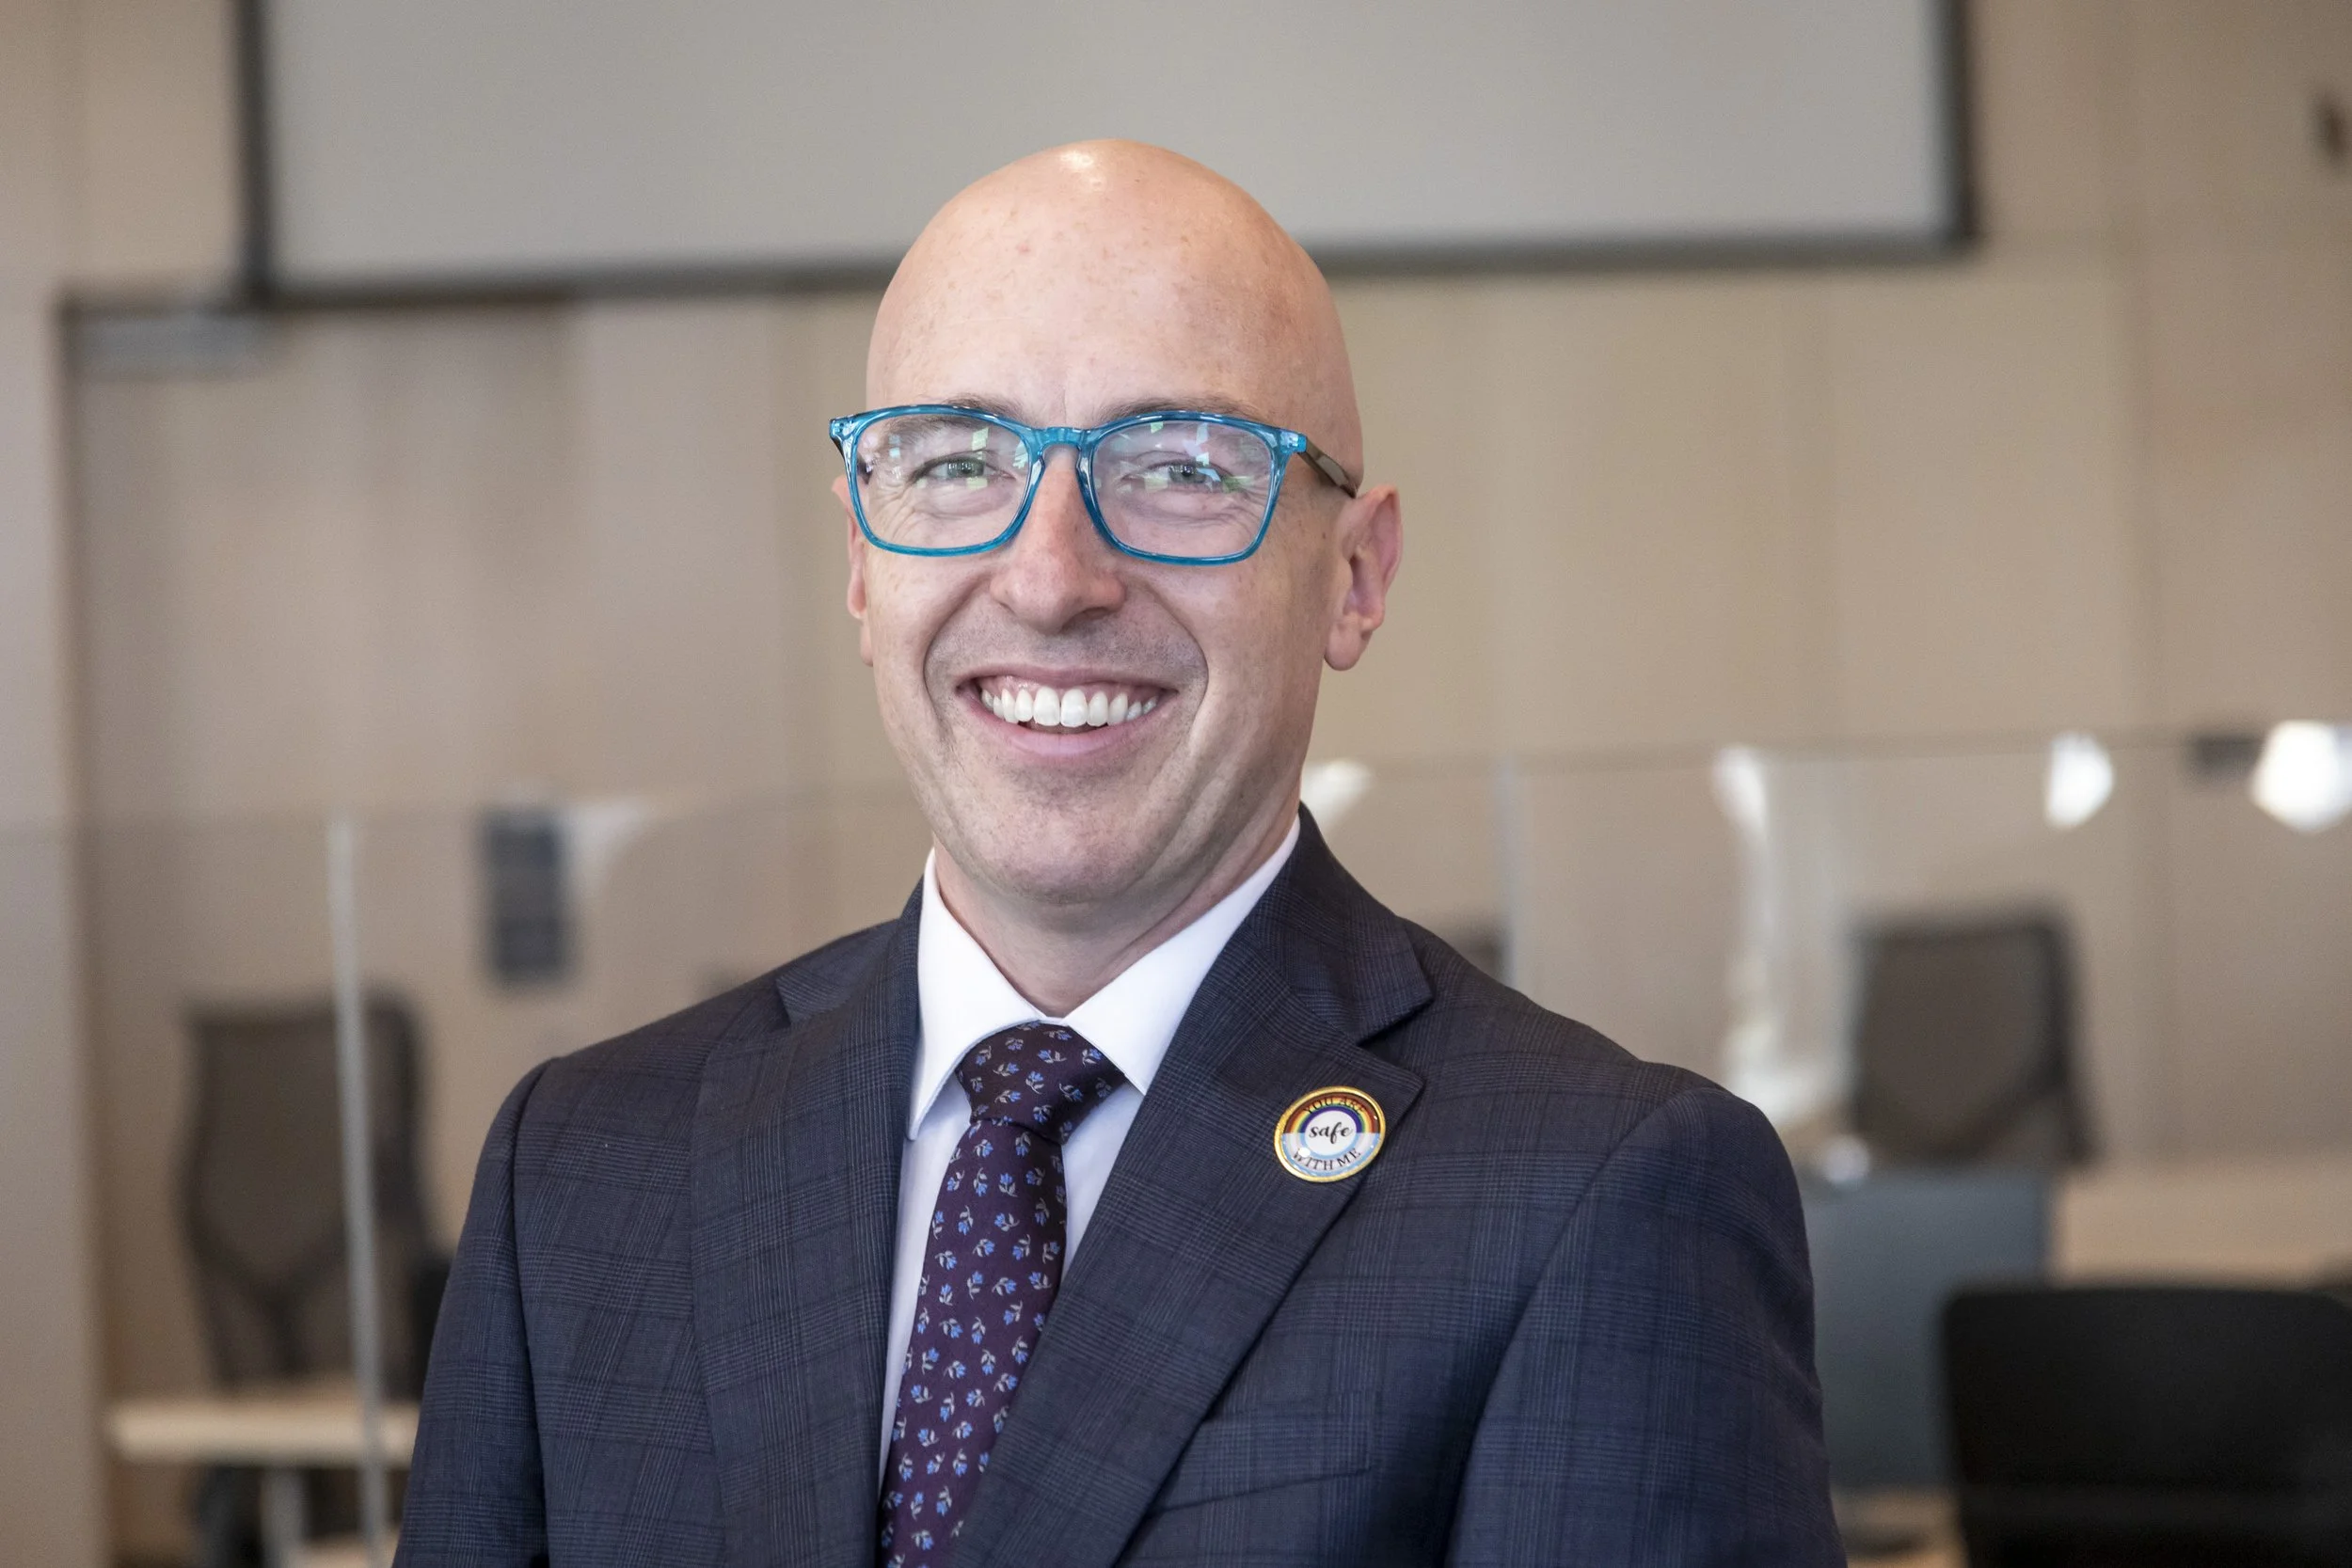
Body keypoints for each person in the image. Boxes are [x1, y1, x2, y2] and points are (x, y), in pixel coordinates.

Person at [397, 142, 1838, 1567]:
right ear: (859, 556)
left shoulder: (1601, 1199)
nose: (1051, 576)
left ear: (1356, 574)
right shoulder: (581, 1171)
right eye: (959, 461)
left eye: (1181, 466)